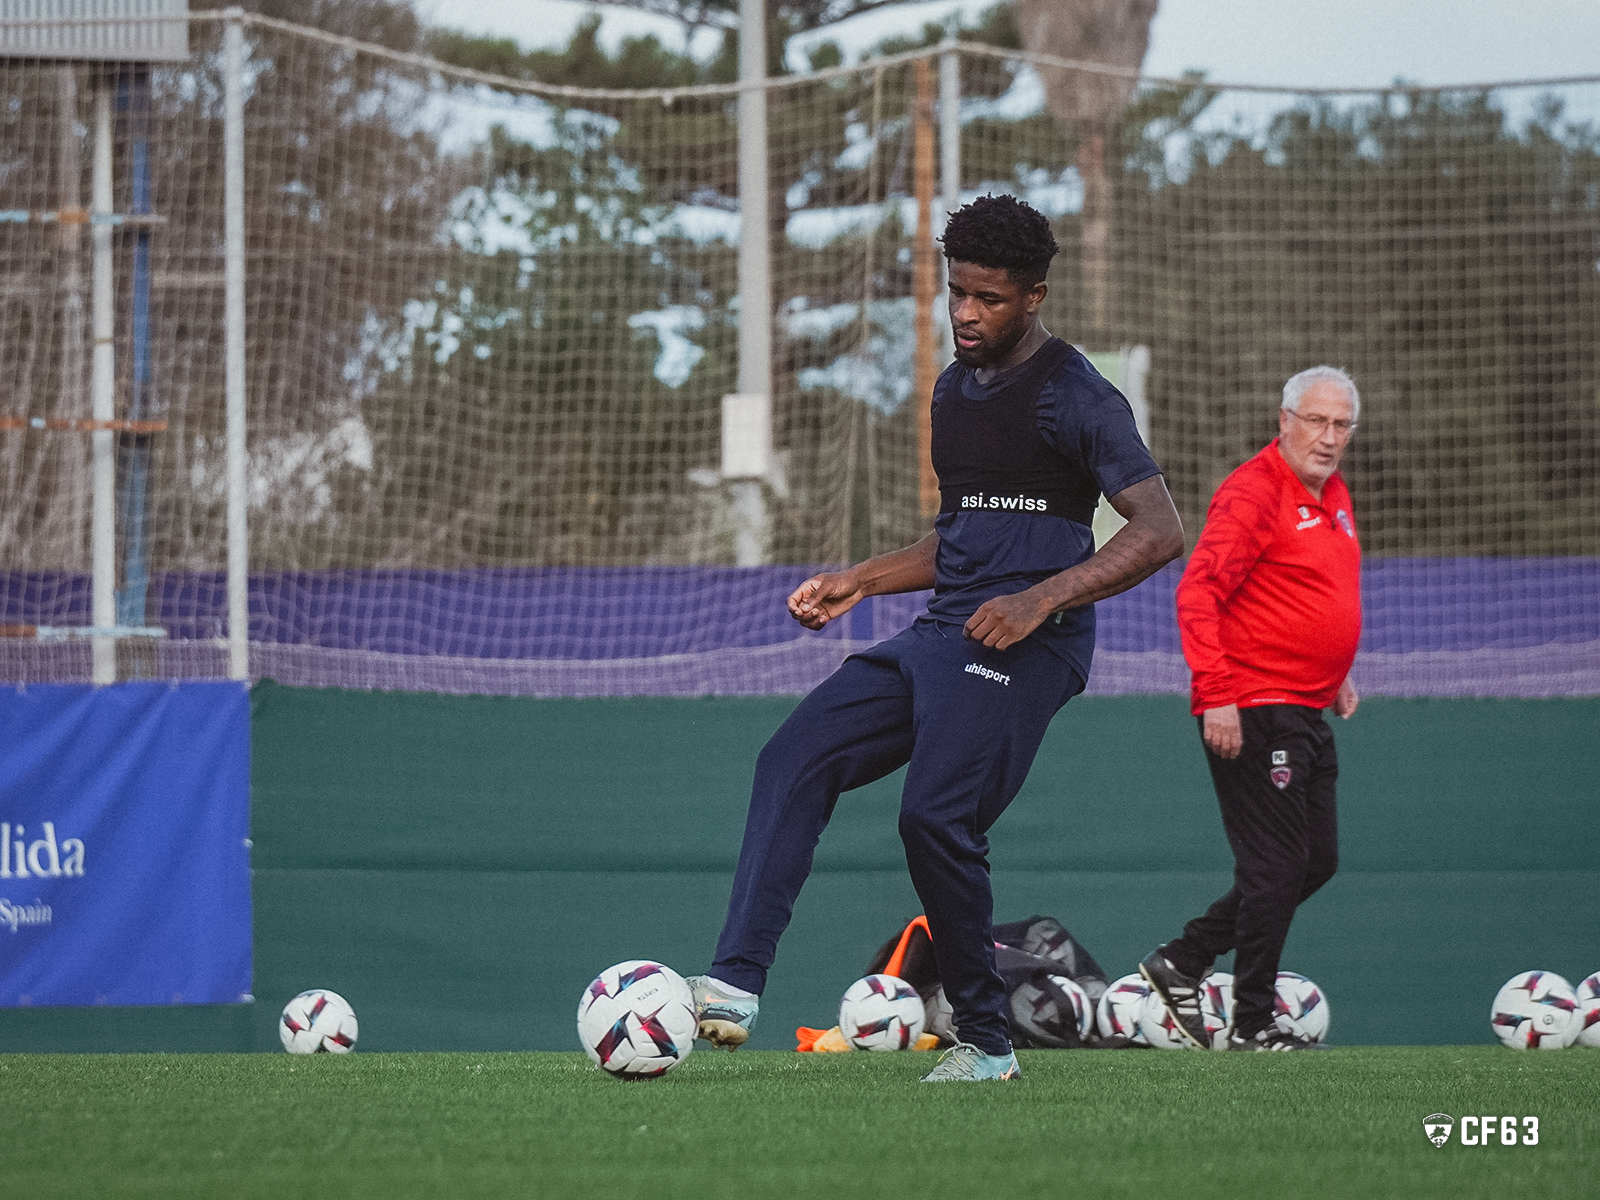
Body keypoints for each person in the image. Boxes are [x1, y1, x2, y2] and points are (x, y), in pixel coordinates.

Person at [688, 194, 1184, 1081]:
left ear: (1034, 296)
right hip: (947, 627)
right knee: (794, 755)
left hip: (1031, 643)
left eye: (988, 298)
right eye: (956, 293)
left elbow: (1158, 530)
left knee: (934, 816)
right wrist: (860, 579)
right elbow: (963, 534)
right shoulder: (955, 389)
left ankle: (988, 1045)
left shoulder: (1079, 396)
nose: (965, 312)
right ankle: (733, 985)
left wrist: (1039, 601)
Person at [1139, 365, 1363, 1051]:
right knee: (1274, 869)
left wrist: (1336, 672)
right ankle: (1254, 1022)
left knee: (1314, 861)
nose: (1328, 437)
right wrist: (1217, 694)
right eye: (1317, 421)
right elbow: (1198, 593)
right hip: (1254, 706)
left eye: (1341, 425)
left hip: (1306, 706)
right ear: (1285, 420)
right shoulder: (1255, 490)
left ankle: (1184, 958)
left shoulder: (1333, 495)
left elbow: (1311, 595)